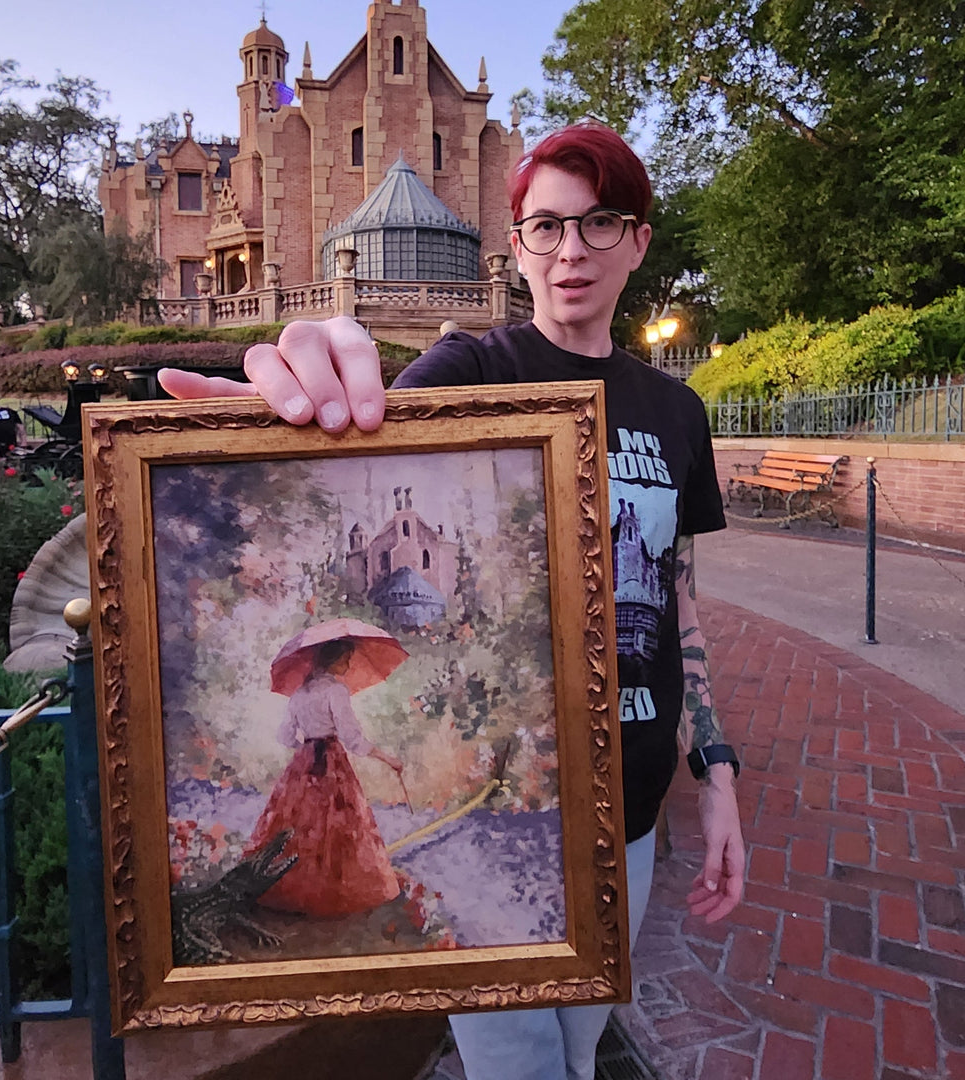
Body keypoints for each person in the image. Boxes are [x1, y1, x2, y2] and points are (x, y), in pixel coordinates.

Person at [160, 122, 745, 1080]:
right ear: (514, 246)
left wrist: (714, 772)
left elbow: (680, 602)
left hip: (631, 799)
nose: (571, 252)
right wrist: (301, 400)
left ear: (639, 239)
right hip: (517, 792)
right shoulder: (476, 374)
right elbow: (362, 431)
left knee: (581, 1040)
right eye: (545, 227)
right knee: (517, 1062)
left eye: (600, 224)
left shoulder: (678, 413)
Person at [248, 637, 405, 917]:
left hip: (304, 765)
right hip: (331, 763)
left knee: (301, 823)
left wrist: (306, 750)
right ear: (333, 659)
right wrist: (388, 759)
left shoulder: (300, 694)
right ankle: (333, 893)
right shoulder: (336, 690)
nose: (348, 664)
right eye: (346, 658)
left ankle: (290, 887)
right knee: (338, 823)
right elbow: (353, 739)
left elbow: (284, 736)